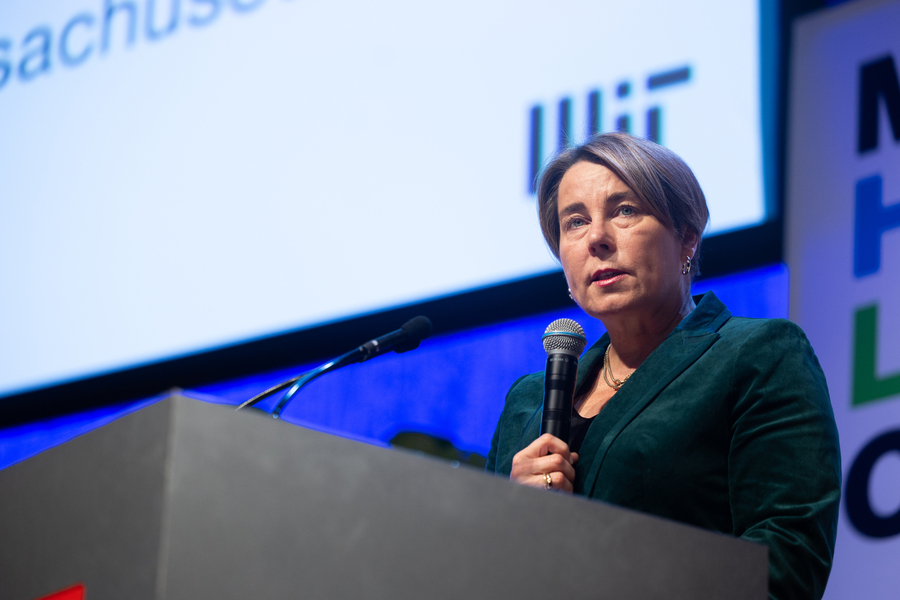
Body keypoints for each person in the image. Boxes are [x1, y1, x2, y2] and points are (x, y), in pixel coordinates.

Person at [485, 132, 841, 600]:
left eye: (625, 211)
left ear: (687, 239)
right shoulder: (527, 402)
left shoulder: (758, 354)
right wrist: (508, 520)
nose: (596, 238)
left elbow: (785, 564)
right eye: (574, 222)